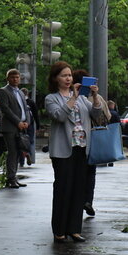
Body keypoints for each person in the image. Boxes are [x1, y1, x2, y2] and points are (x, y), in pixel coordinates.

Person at [45, 61, 106, 242]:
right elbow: (59, 116)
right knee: (63, 189)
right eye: (64, 75)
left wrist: (94, 97)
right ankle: (59, 230)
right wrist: (72, 98)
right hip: (63, 150)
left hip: (82, 148)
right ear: (56, 78)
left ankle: (74, 229)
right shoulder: (51, 98)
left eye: (70, 75)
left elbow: (96, 115)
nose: (68, 78)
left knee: (79, 190)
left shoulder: (81, 98)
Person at [73, 69, 109, 217]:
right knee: (90, 172)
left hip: (79, 140)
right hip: (93, 140)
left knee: (78, 172)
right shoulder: (96, 97)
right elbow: (107, 117)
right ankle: (88, 200)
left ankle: (79, 200)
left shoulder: (75, 98)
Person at [0, 68, 31, 188]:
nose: (15, 79)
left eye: (17, 77)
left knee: (18, 152)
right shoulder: (3, 91)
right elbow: (5, 110)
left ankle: (14, 177)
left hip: (21, 126)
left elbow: (26, 108)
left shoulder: (20, 92)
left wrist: (27, 121)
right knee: (12, 152)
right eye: (12, 77)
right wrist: (17, 122)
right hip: (10, 127)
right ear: (8, 79)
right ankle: (10, 179)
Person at [22, 88, 39, 166]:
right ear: (27, 94)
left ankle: (21, 161)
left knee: (20, 142)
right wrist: (38, 126)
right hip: (30, 125)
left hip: (20, 124)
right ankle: (30, 156)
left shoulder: (19, 102)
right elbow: (35, 115)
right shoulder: (31, 102)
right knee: (31, 141)